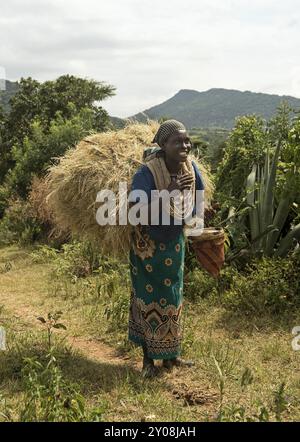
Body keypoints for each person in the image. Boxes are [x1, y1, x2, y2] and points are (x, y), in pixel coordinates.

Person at [128, 119, 205, 378]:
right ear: (163, 145)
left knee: (173, 297)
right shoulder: (147, 173)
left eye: (186, 140)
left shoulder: (191, 169)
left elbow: (199, 200)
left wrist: (197, 230)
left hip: (174, 243)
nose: (184, 144)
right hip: (147, 246)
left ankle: (172, 356)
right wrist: (169, 192)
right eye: (177, 141)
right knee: (148, 298)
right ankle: (149, 361)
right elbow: (136, 211)